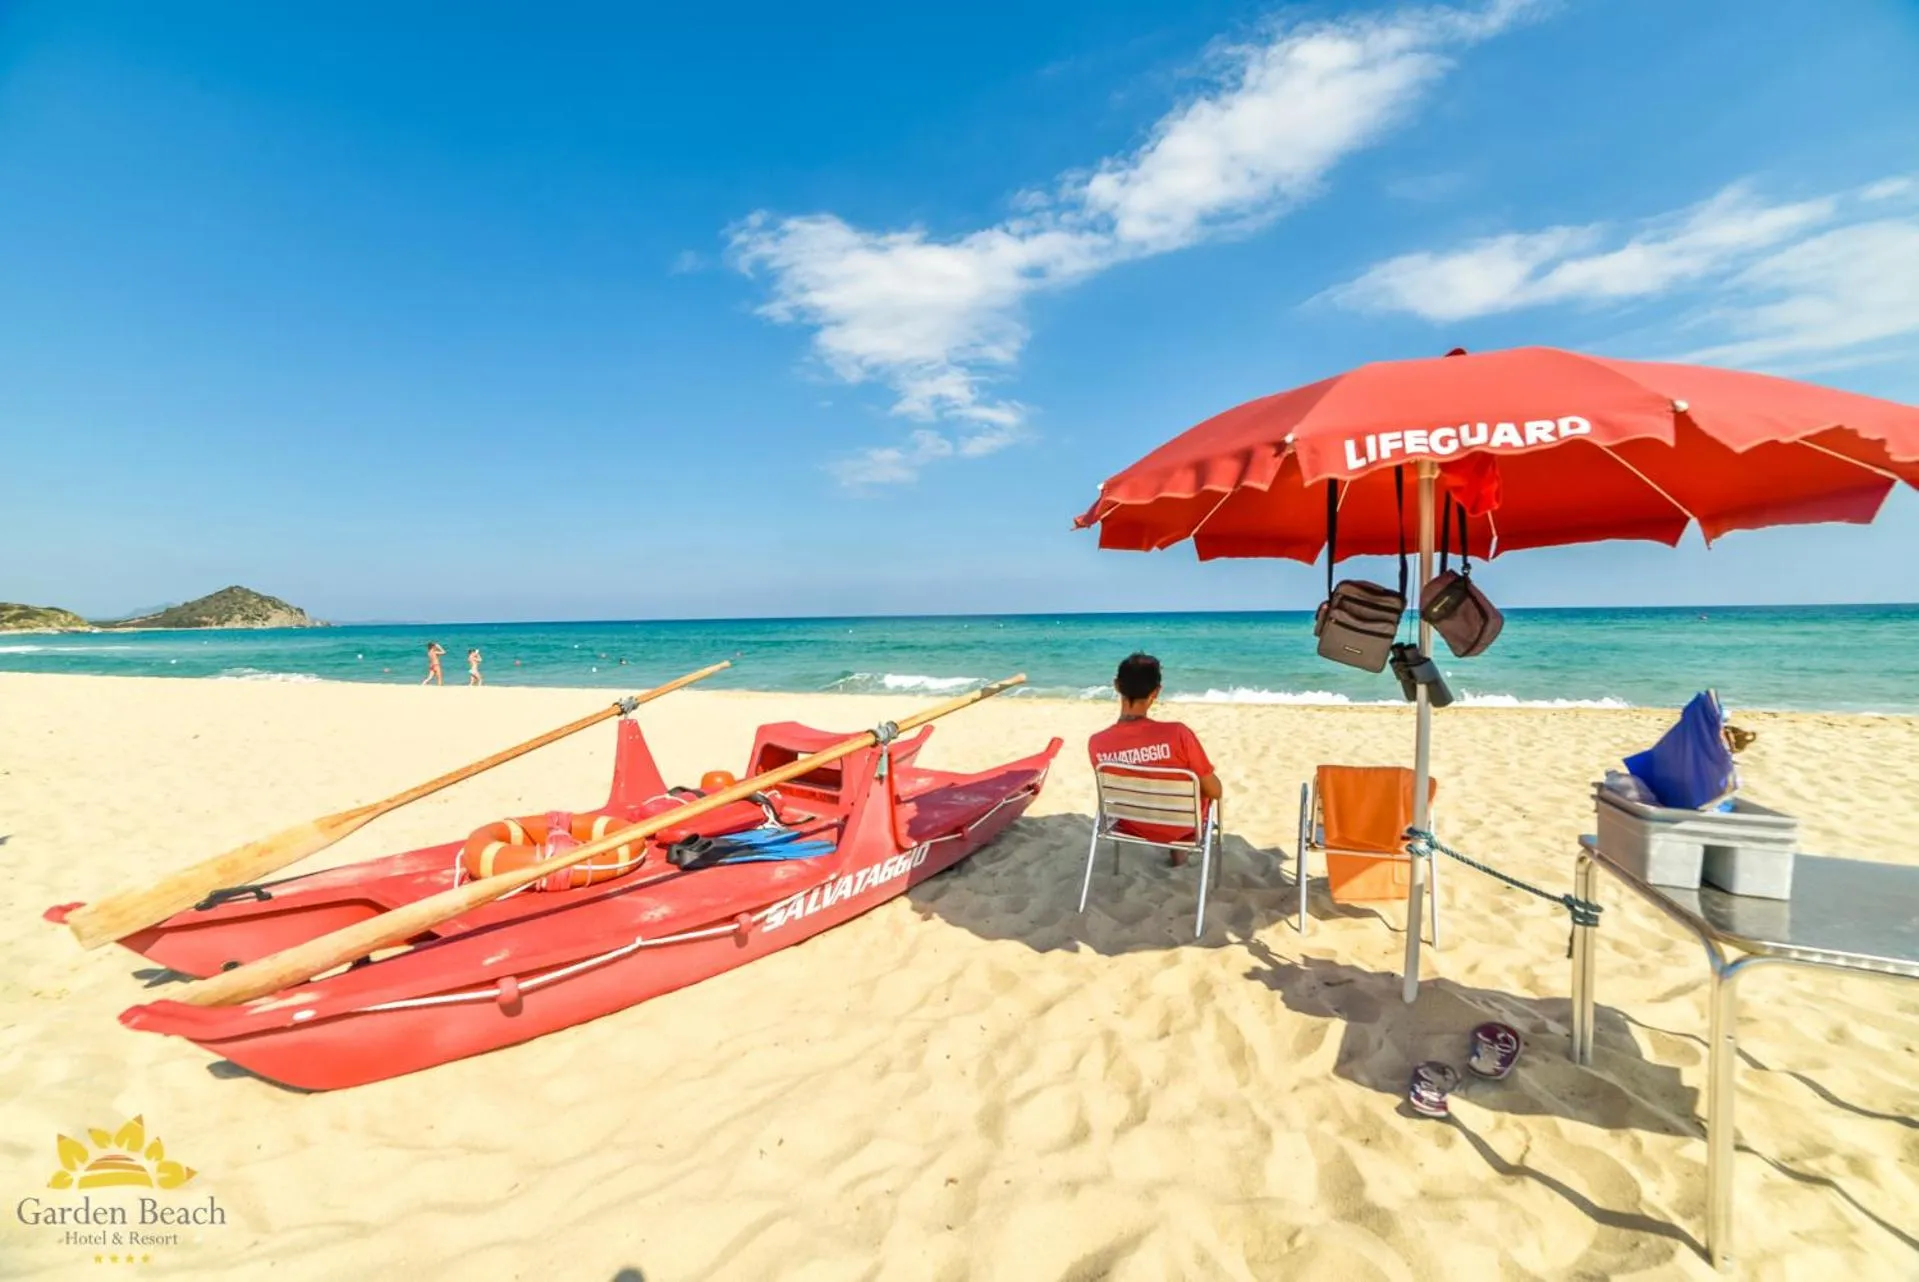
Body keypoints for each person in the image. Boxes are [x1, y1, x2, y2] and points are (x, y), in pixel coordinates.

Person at [1087, 652, 1223, 865]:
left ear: (1116, 685)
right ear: (1156, 691)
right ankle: (1178, 851)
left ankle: (1175, 848)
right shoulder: (1178, 734)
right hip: (1184, 825)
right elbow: (1215, 791)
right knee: (1199, 790)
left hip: (1131, 824)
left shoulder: (1097, 743)